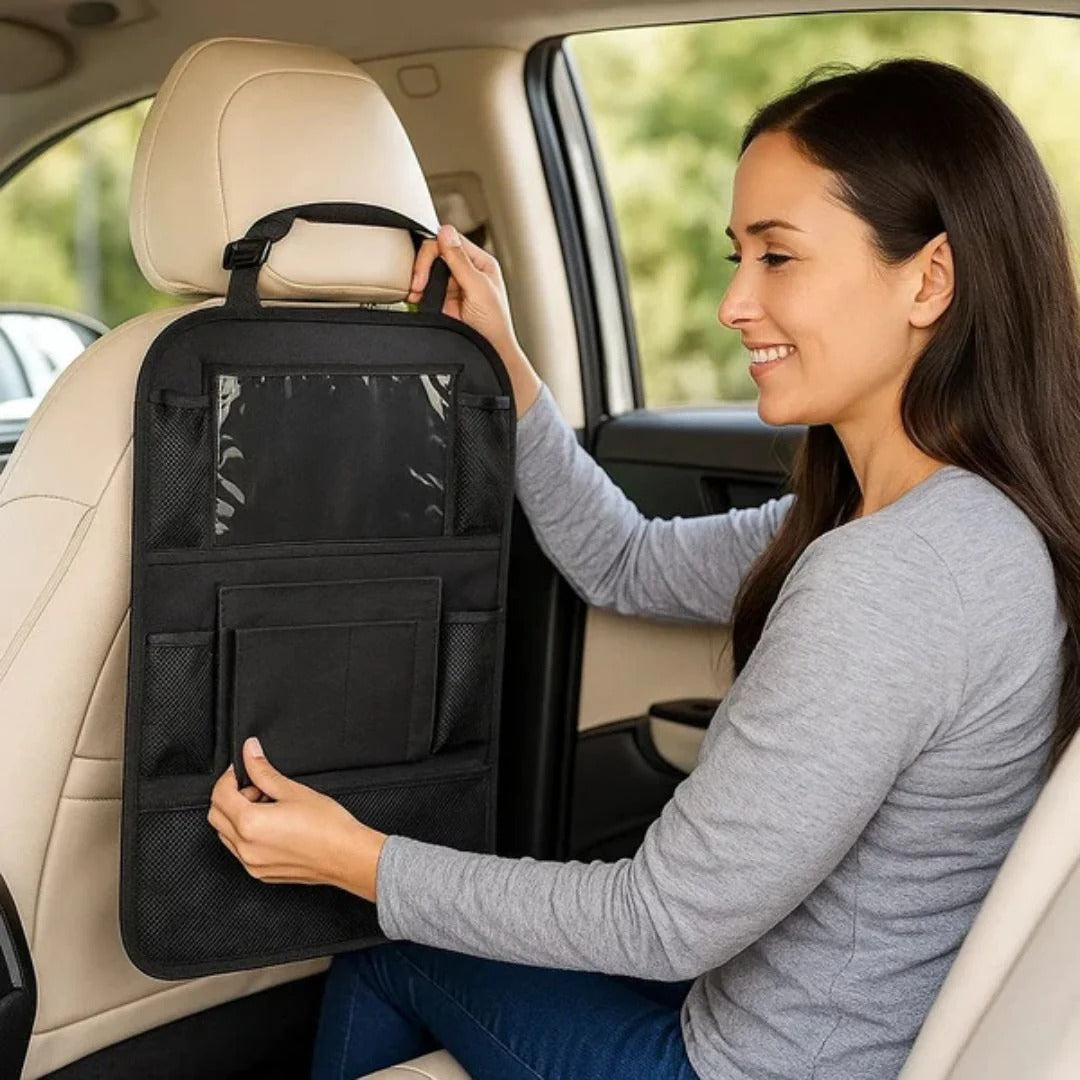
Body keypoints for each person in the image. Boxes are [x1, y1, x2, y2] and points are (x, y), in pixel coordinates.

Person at [208, 57, 1080, 1080]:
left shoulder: (891, 577)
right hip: (808, 1023)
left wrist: (357, 861)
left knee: (384, 947)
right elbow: (623, 561)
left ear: (929, 279)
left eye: (779, 257)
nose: (733, 303)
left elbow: (662, 922)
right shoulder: (957, 520)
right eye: (736, 257)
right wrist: (509, 367)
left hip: (751, 1065)